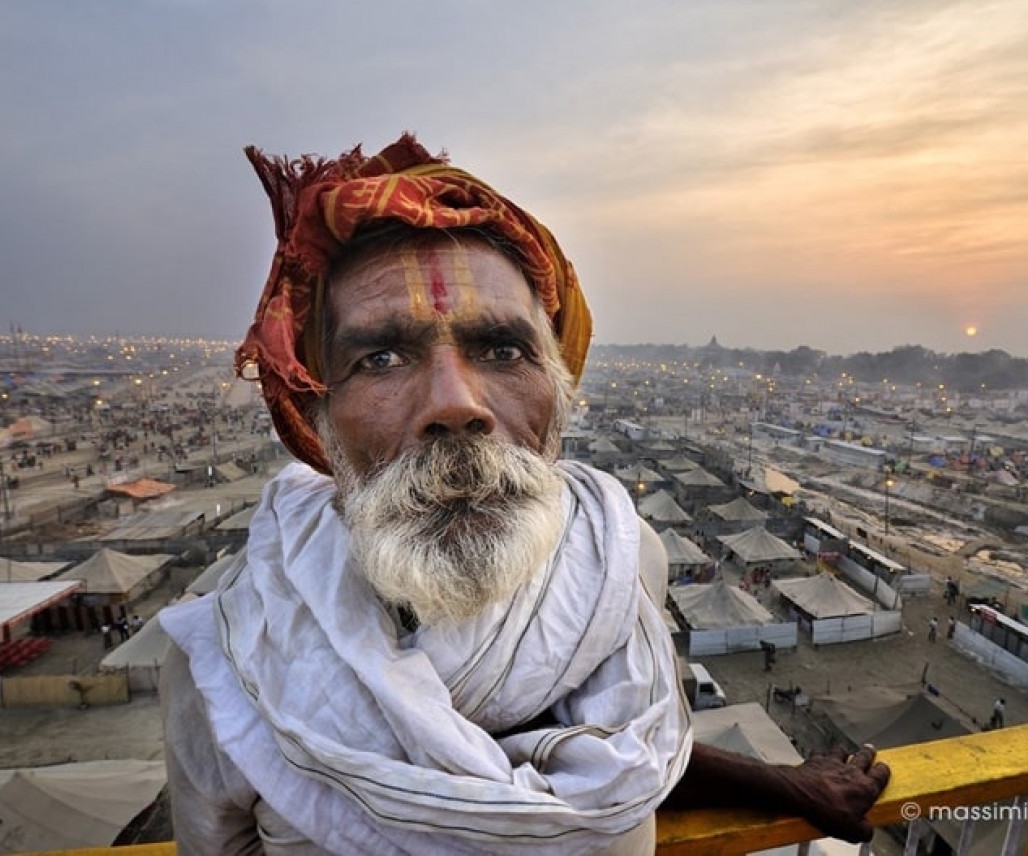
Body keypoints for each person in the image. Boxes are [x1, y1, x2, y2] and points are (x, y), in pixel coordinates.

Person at [159, 134, 889, 854]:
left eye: (503, 350)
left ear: (560, 391)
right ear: (315, 417)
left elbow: (590, 745)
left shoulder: (621, 562)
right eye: (380, 357)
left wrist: (784, 788)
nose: (455, 404)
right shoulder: (233, 652)